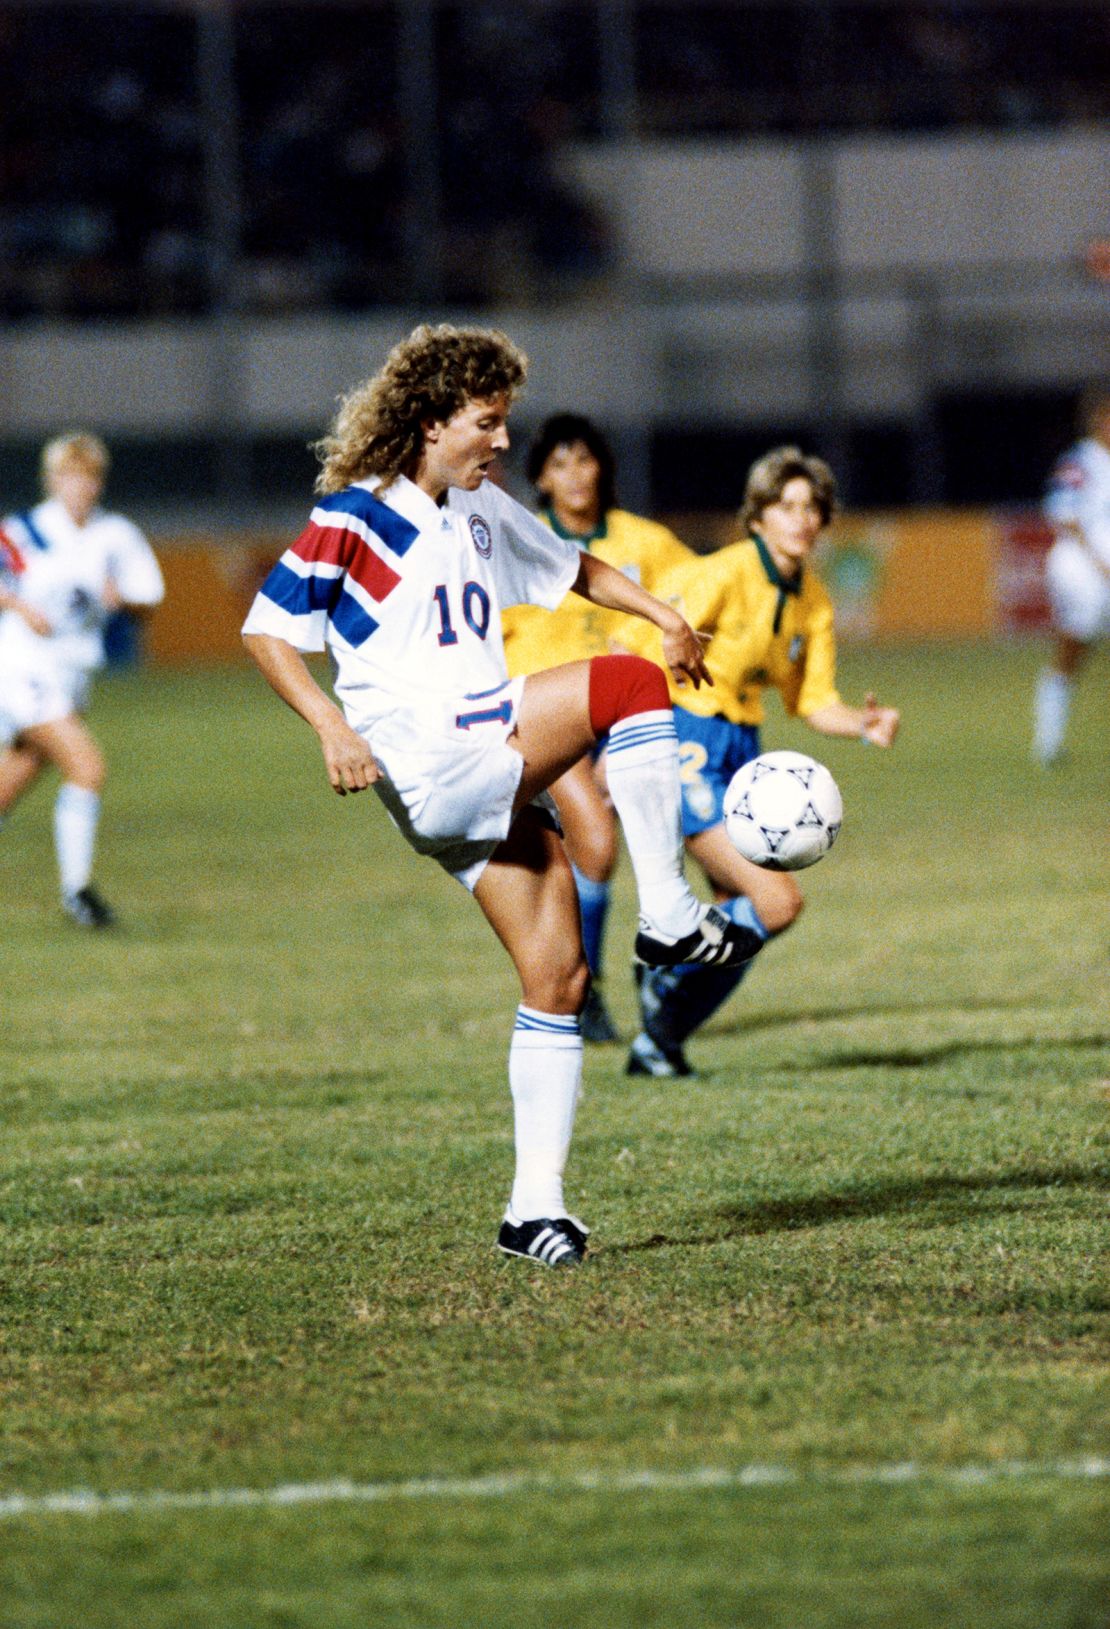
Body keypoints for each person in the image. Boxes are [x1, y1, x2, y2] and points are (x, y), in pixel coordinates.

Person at [241, 323, 760, 1269]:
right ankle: (672, 916)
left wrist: (663, 611)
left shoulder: (479, 508)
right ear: (433, 422)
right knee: (630, 688)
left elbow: (575, 568)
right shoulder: (359, 514)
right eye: (488, 422)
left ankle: (533, 1212)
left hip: (474, 764)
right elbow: (271, 628)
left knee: (557, 978)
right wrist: (330, 724)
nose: (504, 441)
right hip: (434, 751)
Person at [620, 444, 900, 1078]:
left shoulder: (814, 600)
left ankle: (657, 1043)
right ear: (758, 516)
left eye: (813, 508)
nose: (802, 519)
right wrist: (621, 748)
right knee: (776, 904)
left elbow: (813, 700)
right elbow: (630, 644)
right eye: (787, 505)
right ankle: (666, 965)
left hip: (745, 754)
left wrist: (864, 722)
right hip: (685, 742)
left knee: (737, 921)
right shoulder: (721, 573)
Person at [502, 413, 694, 1043]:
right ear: (540, 479)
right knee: (598, 846)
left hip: (626, 717)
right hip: (547, 719)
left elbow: (689, 603)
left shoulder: (647, 542)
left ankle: (593, 982)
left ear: (603, 467)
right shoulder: (521, 541)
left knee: (607, 853)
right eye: (558, 464)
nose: (574, 474)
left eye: (583, 459)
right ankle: (582, 987)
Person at [0, 432, 165, 927]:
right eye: (69, 475)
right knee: (87, 768)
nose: (80, 486)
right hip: (23, 665)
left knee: (14, 779)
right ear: (51, 480)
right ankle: (79, 894)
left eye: (88, 476)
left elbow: (147, 597)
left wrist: (124, 601)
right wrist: (15, 603)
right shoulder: (24, 529)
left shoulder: (114, 535)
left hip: (72, 673)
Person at [1032, 384, 1110, 766]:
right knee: (1072, 649)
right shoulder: (1080, 462)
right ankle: (1047, 742)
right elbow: (1063, 513)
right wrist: (1098, 562)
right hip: (1083, 570)